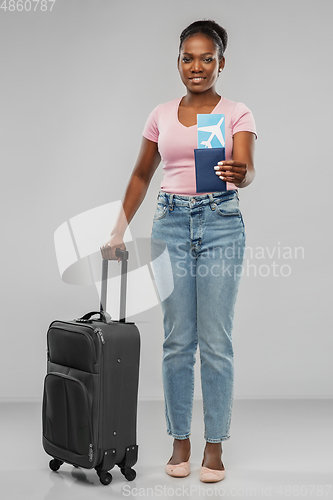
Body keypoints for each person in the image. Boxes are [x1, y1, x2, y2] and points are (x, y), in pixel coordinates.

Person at [100, 19, 257, 483]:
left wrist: (238, 172)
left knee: (216, 341)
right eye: (188, 57)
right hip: (170, 222)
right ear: (178, 61)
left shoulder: (235, 112)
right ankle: (179, 441)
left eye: (207, 58)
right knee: (176, 340)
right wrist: (117, 231)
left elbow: (247, 169)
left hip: (221, 223)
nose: (196, 66)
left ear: (221, 63)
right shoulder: (161, 114)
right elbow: (140, 176)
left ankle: (214, 446)